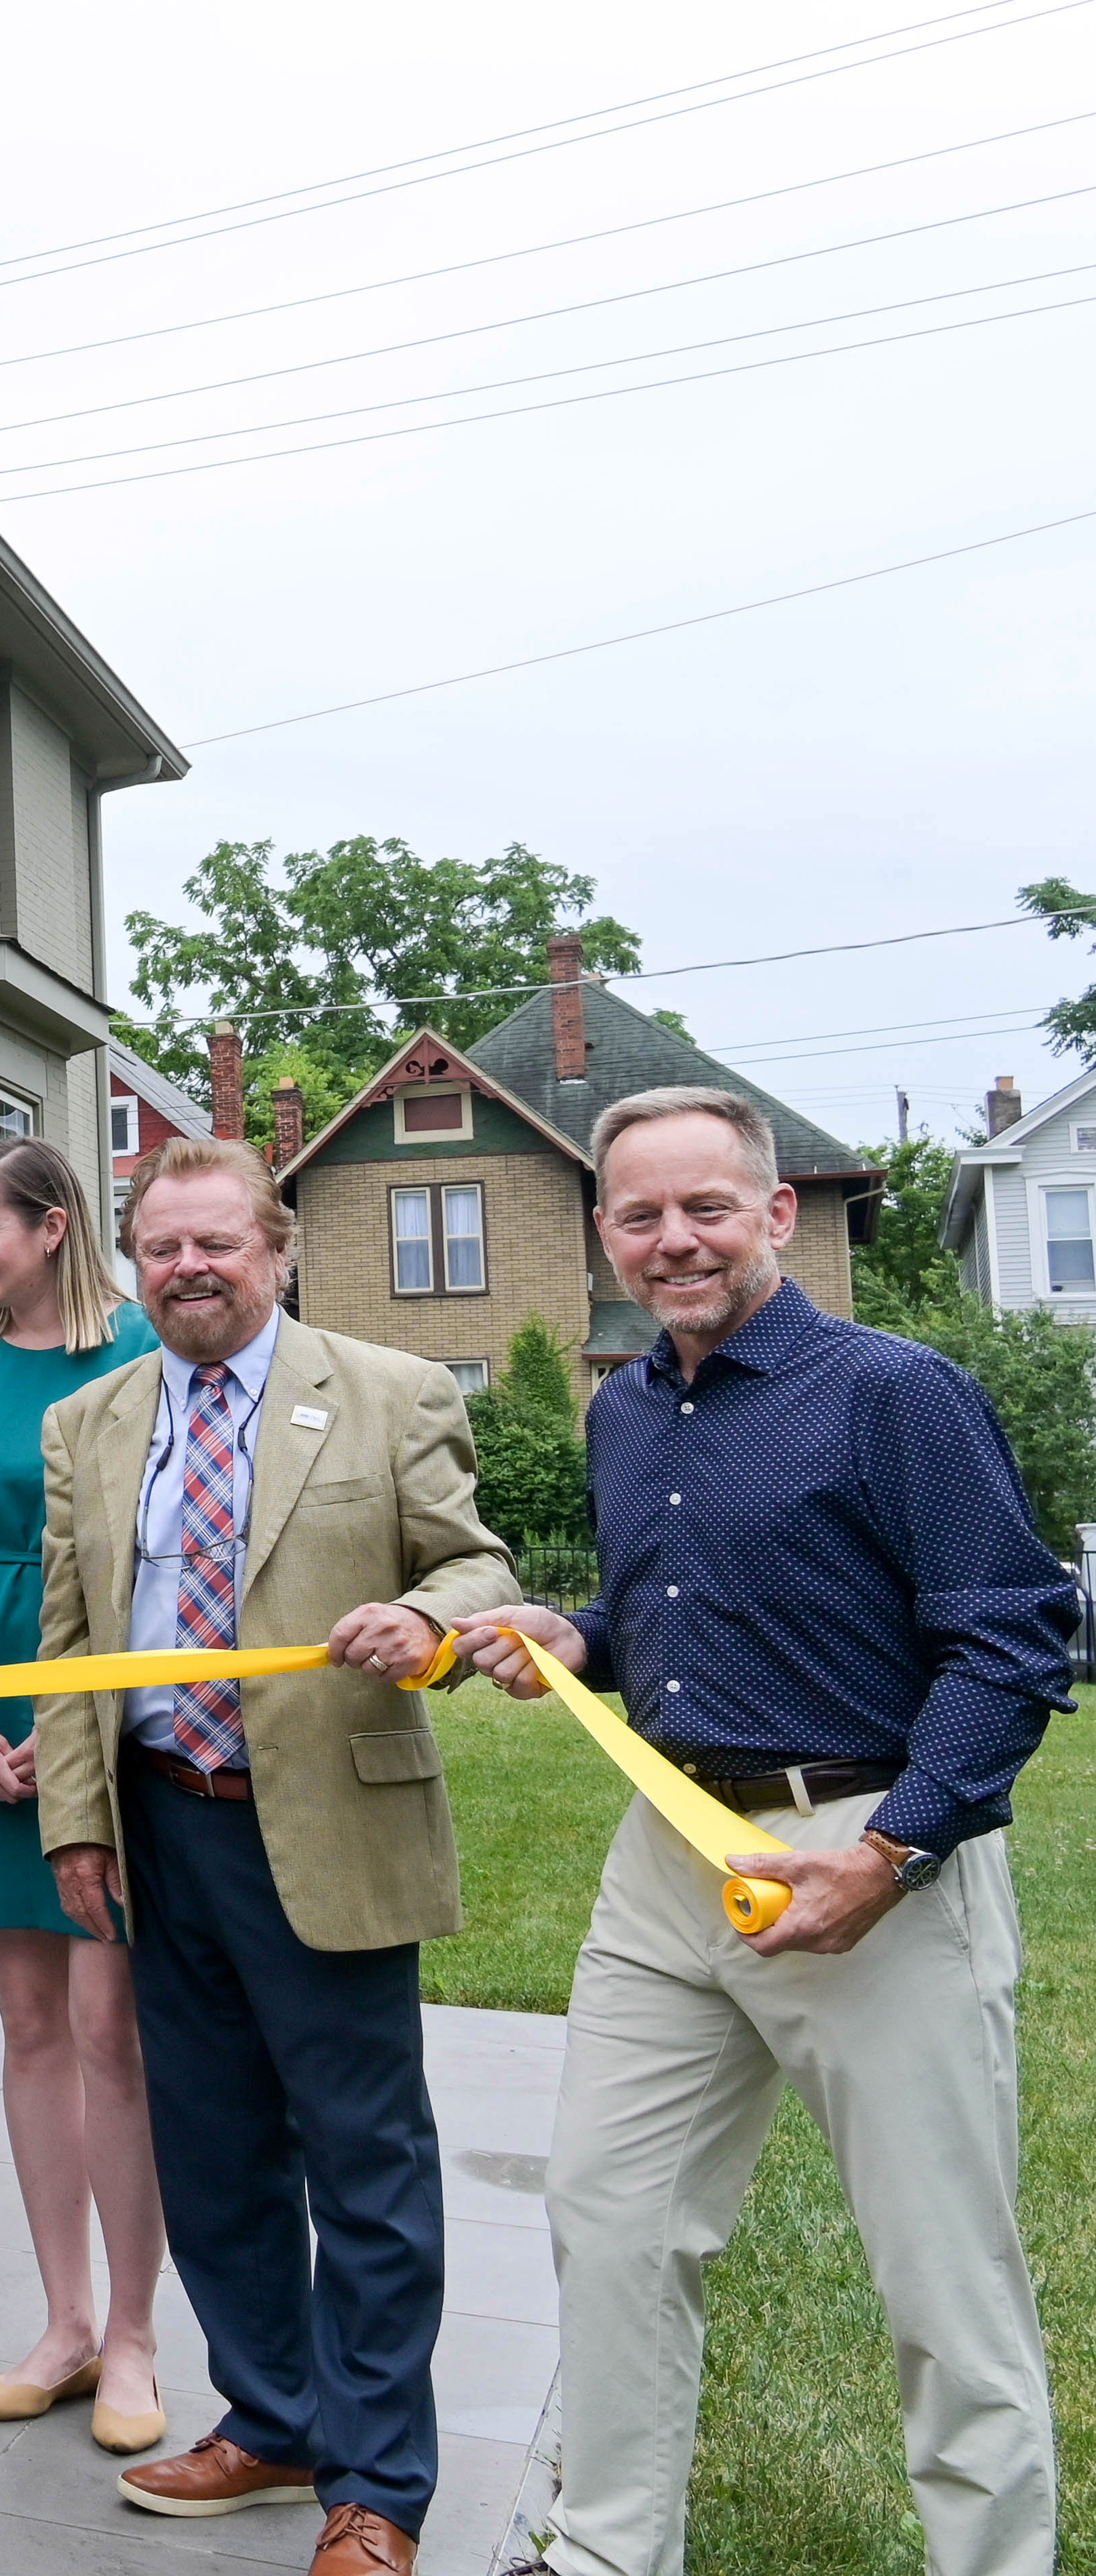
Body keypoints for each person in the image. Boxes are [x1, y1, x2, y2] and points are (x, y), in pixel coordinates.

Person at [453, 1087, 1075, 2576]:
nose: (673, 1240)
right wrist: (578, 1636)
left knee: (943, 2274)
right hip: (667, 1859)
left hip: (865, 1846)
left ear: (776, 1214)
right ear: (602, 1231)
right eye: (640, 1215)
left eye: (706, 1208)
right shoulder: (621, 1408)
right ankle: (605, 2552)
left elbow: (1011, 1639)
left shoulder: (893, 1393)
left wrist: (889, 1857)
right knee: (609, 2220)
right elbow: (675, 1615)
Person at [33, 1135, 518, 2576]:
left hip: (327, 1828)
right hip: (160, 1824)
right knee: (213, 2156)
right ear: (132, 1264)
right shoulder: (89, 1422)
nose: (187, 1269)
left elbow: (477, 1564)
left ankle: (378, 2486)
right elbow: (68, 1641)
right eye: (160, 1247)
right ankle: (273, 2421)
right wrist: (77, 1820)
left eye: (215, 1243)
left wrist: (429, 1622)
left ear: (277, 1249)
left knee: (365, 2167)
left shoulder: (391, 1391)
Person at [0, 1139, 166, 2449]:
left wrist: (75, 1729)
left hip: (104, 1694)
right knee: (30, 2026)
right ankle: (64, 2325)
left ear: (53, 1227)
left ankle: (135, 2338)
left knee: (112, 2029)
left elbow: (164, 1544)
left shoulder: (142, 1352)